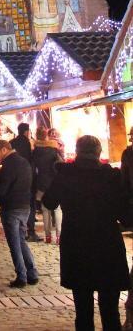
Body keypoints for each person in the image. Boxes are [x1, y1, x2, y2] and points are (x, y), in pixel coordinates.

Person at [43, 135, 130, 331]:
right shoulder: (112, 177)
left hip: (76, 243)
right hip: (107, 244)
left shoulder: (65, 175)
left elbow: (49, 202)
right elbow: (125, 215)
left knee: (83, 310)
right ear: (99, 153)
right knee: (110, 310)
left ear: (78, 151)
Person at [0, 139, 39, 288]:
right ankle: (32, 273)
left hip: (11, 208)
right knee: (21, 240)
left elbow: (2, 191)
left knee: (15, 244)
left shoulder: (8, 166)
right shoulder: (24, 162)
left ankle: (21, 276)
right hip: (25, 206)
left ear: (4, 149)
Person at [32, 127, 63, 244]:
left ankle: (48, 236)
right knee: (57, 208)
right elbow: (60, 164)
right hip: (54, 182)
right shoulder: (53, 149)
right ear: (46, 136)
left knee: (45, 210)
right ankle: (59, 236)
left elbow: (34, 168)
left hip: (41, 182)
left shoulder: (35, 151)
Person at [11, 122, 40, 241]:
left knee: (17, 204)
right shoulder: (28, 143)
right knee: (30, 204)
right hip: (28, 177)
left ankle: (18, 230)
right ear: (26, 131)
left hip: (15, 177)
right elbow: (30, 160)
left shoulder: (12, 142)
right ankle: (31, 231)